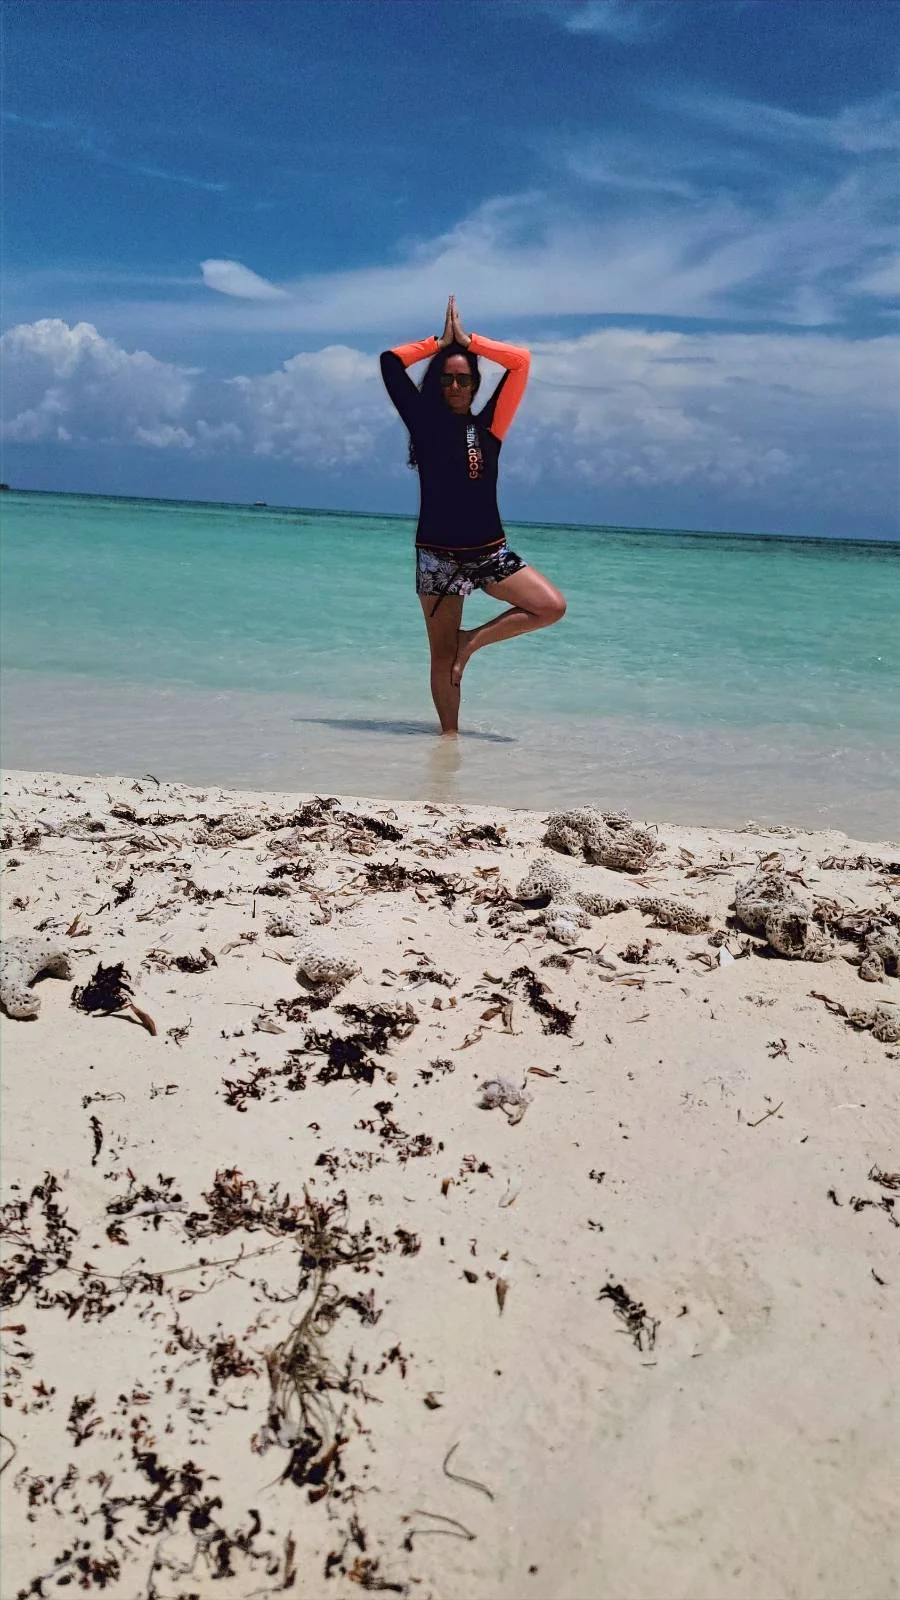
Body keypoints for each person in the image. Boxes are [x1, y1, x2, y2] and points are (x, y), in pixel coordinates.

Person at [379, 295, 566, 736]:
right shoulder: (423, 422)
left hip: (490, 552)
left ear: (476, 384)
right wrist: (438, 342)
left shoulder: (491, 427)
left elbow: (520, 362)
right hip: (438, 557)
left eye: (463, 379)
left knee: (550, 607)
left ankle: (472, 641)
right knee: (440, 658)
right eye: (447, 378)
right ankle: (449, 742)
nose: (455, 387)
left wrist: (468, 341)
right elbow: (390, 363)